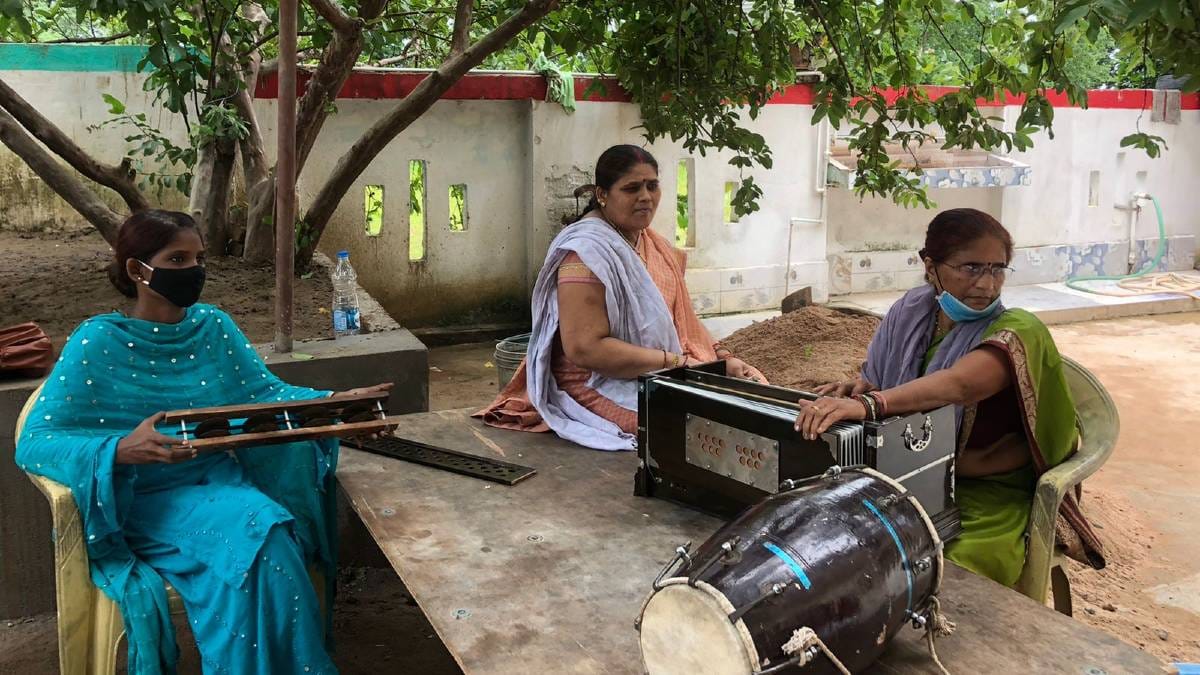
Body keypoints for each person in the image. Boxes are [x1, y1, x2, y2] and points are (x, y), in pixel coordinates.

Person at [15, 210, 390, 675]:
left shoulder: (212, 327)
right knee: (262, 540)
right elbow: (37, 441)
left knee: (271, 538)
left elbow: (266, 396)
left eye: (198, 258)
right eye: (176, 258)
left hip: (218, 481)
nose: (193, 271)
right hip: (144, 501)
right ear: (137, 270)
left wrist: (338, 405)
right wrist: (118, 450)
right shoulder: (96, 342)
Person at [793, 208, 1104, 586]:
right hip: (909, 476)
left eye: (997, 269)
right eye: (971, 268)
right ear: (930, 266)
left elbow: (959, 385)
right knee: (834, 539)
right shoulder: (911, 312)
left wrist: (870, 404)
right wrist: (862, 389)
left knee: (937, 567)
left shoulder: (1020, 329)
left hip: (990, 493)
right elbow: (884, 380)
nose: (987, 285)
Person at [477, 144, 765, 450]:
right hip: (593, 384)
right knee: (703, 428)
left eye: (652, 186)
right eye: (631, 188)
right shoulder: (586, 253)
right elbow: (585, 349)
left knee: (754, 400)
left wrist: (722, 360)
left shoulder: (654, 246)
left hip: (661, 373)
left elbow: (683, 324)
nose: (646, 197)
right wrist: (678, 365)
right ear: (602, 194)